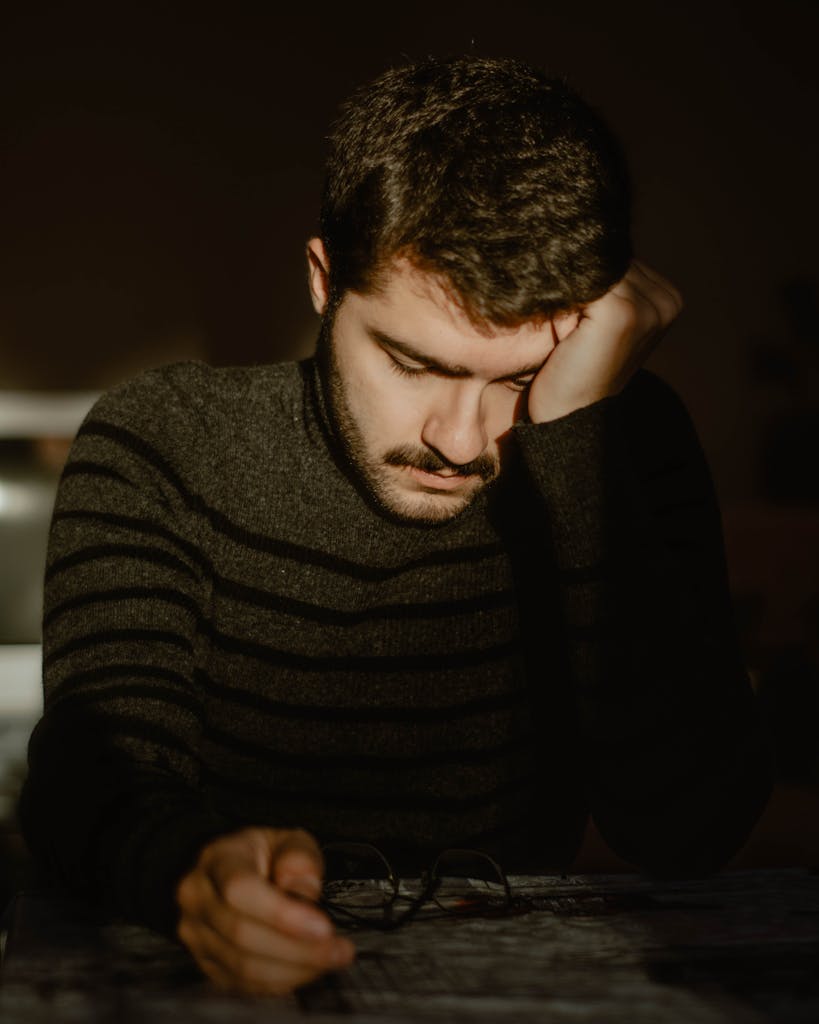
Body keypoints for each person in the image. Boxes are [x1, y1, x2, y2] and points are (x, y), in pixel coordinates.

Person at [19, 55, 772, 995]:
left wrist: (576, 438)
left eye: (517, 379)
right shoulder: (164, 441)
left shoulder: (619, 441)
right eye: (412, 364)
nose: (459, 441)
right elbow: (94, 774)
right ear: (323, 281)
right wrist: (190, 867)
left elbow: (687, 828)